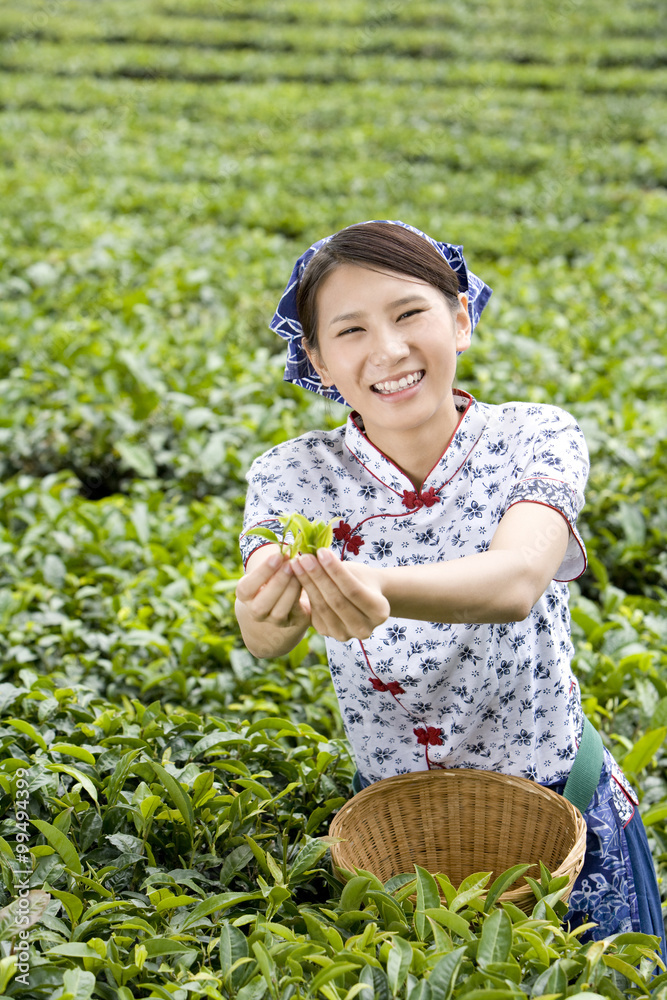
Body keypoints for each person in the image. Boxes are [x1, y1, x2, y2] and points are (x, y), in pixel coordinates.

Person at [235, 220, 665, 951]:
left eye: (409, 314)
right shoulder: (292, 475)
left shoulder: (533, 436)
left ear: (460, 319)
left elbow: (518, 579)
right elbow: (265, 635)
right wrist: (267, 609)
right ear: (316, 359)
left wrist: (373, 587)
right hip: (402, 843)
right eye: (350, 331)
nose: (389, 350)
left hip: (562, 813)